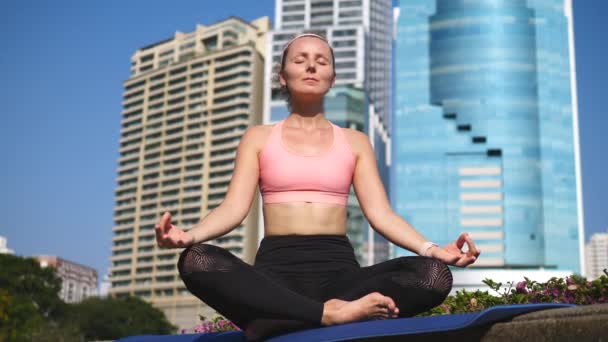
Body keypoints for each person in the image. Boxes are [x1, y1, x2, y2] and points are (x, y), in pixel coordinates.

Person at [155, 33, 481, 341]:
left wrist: (432, 249)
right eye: (300, 60)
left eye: (322, 61)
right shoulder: (258, 137)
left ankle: (278, 319)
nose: (312, 66)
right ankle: (324, 315)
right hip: (275, 275)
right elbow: (233, 209)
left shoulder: (355, 142)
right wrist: (189, 236)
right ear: (283, 76)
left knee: (433, 275)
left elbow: (381, 214)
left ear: (332, 79)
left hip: (341, 277)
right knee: (195, 260)